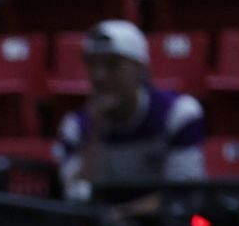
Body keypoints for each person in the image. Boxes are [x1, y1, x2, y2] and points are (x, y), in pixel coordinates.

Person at [54, 22, 206, 204]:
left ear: (141, 69)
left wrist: (123, 215)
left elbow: (182, 196)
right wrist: (96, 133)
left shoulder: (178, 114)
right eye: (92, 65)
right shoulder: (76, 126)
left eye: (112, 65)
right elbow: (76, 197)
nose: (99, 75)